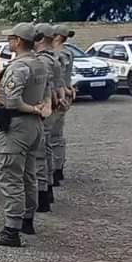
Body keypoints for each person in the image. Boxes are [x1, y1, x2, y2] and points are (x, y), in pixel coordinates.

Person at [0, 23, 51, 247]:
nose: (9, 42)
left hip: (18, 126)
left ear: (19, 41)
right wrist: (40, 109)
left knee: (11, 175)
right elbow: (47, 92)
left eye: (11, 38)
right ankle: (27, 220)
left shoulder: (19, 67)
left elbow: (13, 100)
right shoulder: (40, 64)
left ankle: (11, 229)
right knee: (28, 174)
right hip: (34, 126)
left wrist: (32, 108)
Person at [33, 23, 60, 213]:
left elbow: (46, 88)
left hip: (42, 109)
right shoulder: (53, 58)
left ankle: (42, 194)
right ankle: (46, 188)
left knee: (40, 153)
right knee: (47, 148)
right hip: (51, 107)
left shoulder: (42, 61)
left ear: (41, 38)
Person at [50, 24, 75, 185]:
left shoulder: (58, 55)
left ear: (58, 37)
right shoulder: (69, 52)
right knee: (57, 135)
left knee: (52, 136)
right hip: (65, 94)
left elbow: (56, 78)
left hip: (57, 97)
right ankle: (58, 167)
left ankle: (54, 169)